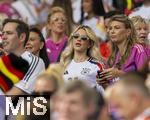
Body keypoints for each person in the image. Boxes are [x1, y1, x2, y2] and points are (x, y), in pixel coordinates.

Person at [97, 15, 148, 87]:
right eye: (110, 28)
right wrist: (104, 84)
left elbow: (145, 79)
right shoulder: (114, 55)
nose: (112, 31)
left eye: (117, 28)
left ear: (128, 32)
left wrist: (119, 74)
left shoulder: (137, 49)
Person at [1, 18, 45, 96]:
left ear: (22, 37)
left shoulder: (34, 62)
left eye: (9, 33)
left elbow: (16, 94)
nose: (3, 37)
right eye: (3, 33)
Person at [60, 25, 105, 93]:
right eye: (76, 36)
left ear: (89, 44)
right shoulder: (64, 63)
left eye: (83, 38)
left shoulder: (97, 65)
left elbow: (104, 93)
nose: (79, 39)